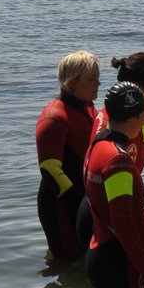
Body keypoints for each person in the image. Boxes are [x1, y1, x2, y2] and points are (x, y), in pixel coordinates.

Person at [83, 82, 144, 288]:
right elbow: (122, 223)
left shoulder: (97, 146)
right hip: (118, 264)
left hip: (100, 253)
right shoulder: (116, 160)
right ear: (135, 117)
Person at [77, 52, 144, 249]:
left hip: (113, 214)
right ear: (137, 90)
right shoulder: (113, 126)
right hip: (102, 220)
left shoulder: (134, 119)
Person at [34, 50, 99, 265]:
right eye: (91, 79)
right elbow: (50, 170)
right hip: (61, 206)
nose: (97, 84)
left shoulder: (88, 107)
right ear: (71, 84)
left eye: (98, 78)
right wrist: (80, 204)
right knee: (68, 263)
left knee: (87, 262)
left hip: (84, 200)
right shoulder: (54, 117)